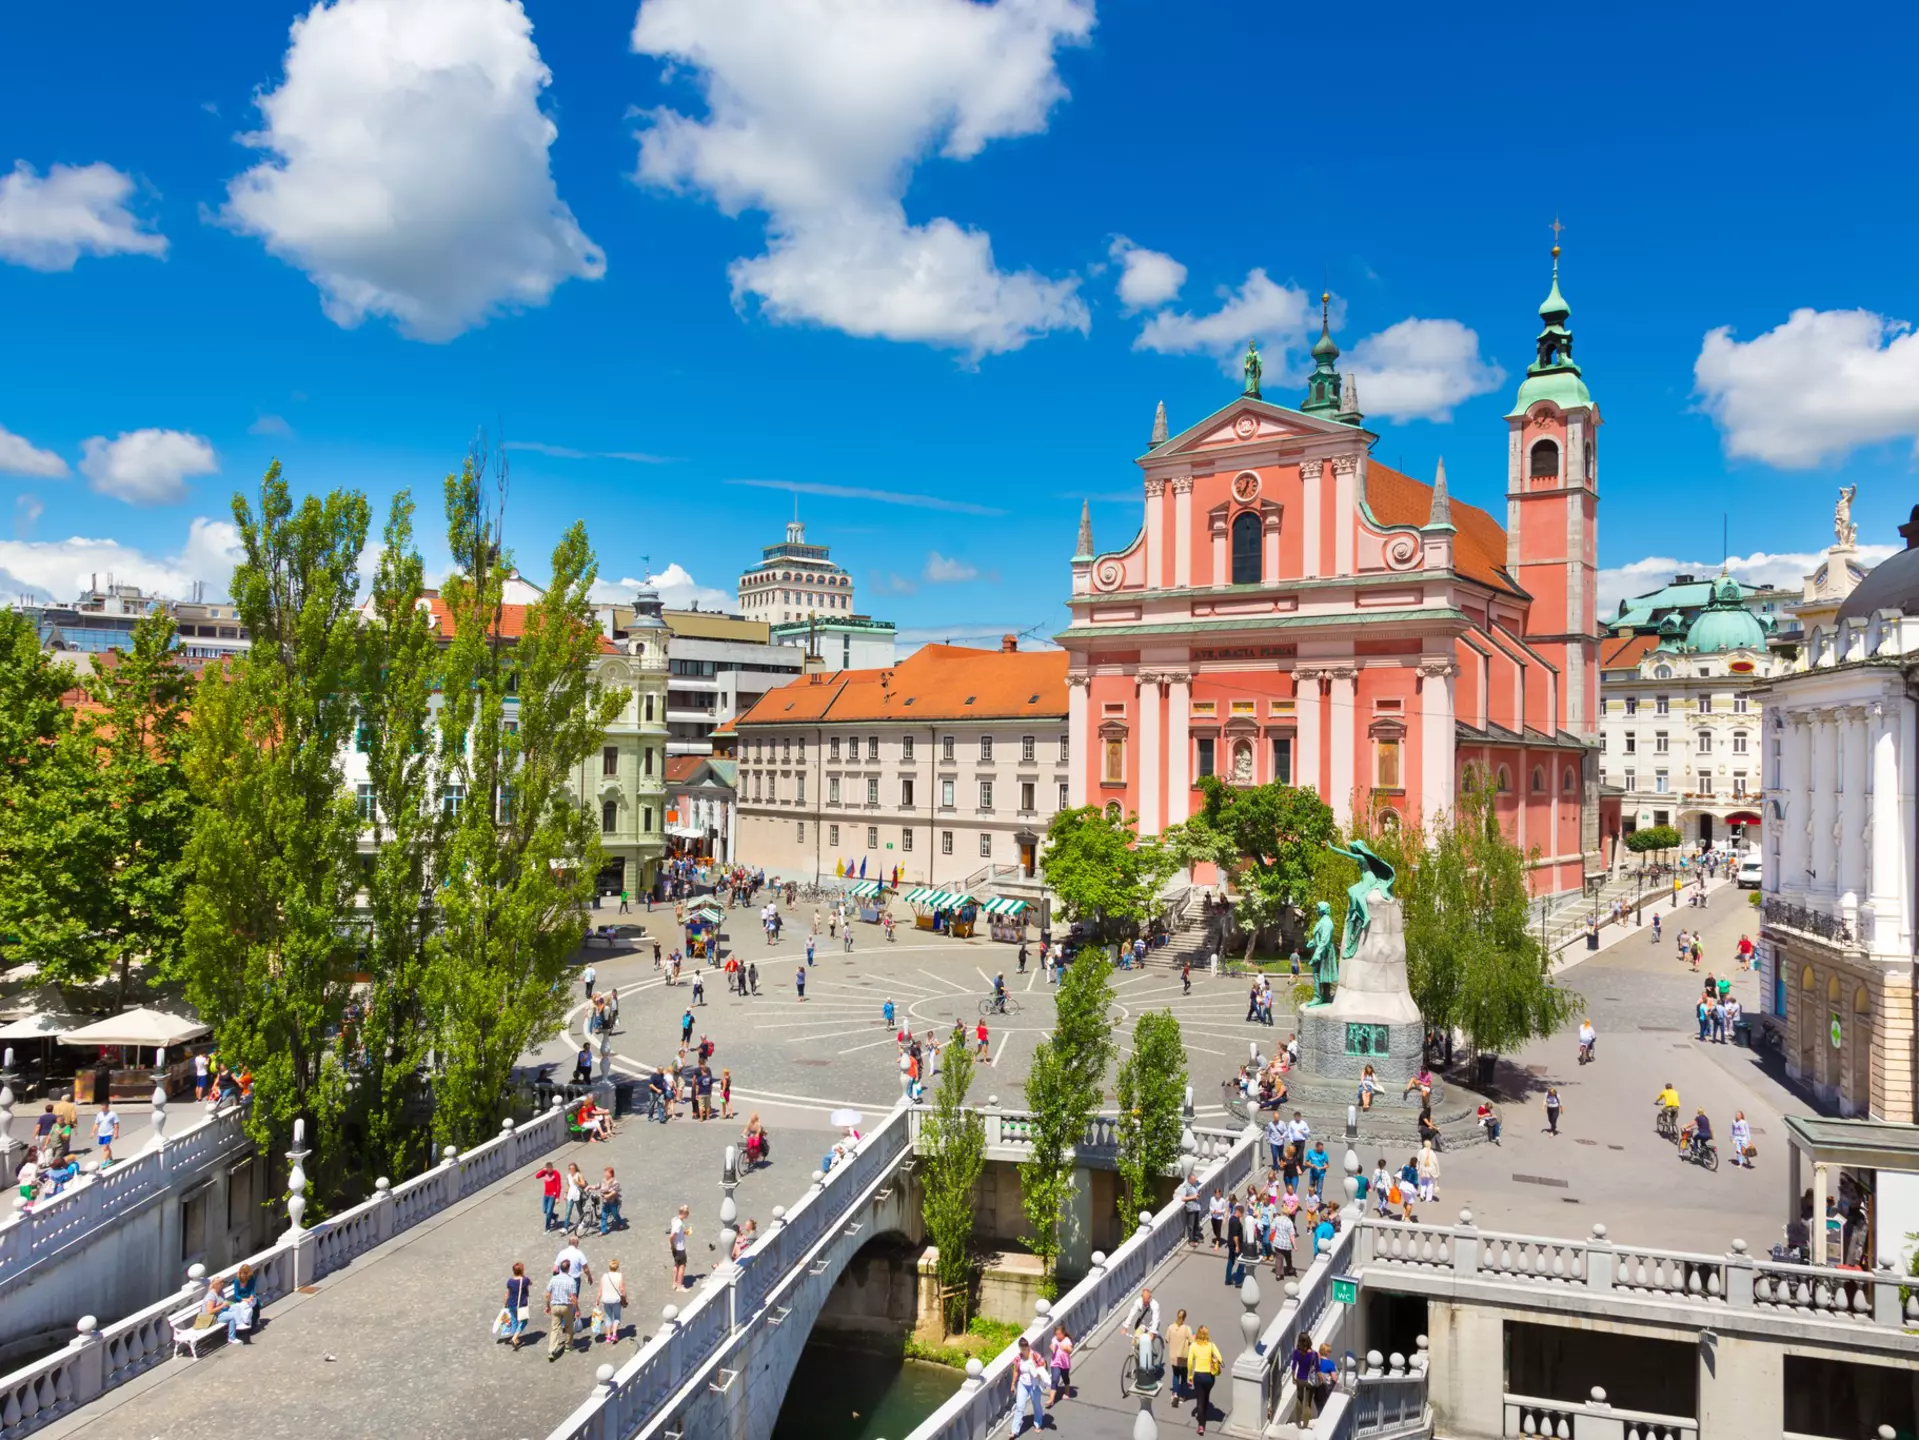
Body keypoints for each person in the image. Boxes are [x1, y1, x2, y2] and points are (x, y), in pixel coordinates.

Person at [1187, 1325, 1223, 1435]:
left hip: (1199, 1376)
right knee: (1206, 1395)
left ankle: (1201, 1425)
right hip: (1209, 1377)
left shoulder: (1193, 1346)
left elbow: (1189, 1362)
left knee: (1200, 1400)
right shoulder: (1211, 1346)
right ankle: (1206, 1412)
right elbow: (1220, 1359)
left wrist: (1190, 1376)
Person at [1009, 1336, 1048, 1436]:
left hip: (1034, 1384)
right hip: (1023, 1384)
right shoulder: (1018, 1358)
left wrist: (1039, 1372)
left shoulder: (1034, 1355)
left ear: (1028, 1347)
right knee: (1020, 1406)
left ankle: (1038, 1423)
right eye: (1022, 1350)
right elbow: (1016, 1371)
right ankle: (1014, 1431)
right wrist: (1013, 1384)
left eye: (1025, 1349)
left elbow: (1043, 1363)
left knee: (1036, 1405)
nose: (1024, 1352)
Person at [545, 1259, 578, 1360]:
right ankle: (568, 1345)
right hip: (566, 1306)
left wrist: (547, 1306)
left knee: (555, 1329)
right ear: (568, 1268)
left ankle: (552, 1350)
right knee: (568, 1326)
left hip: (555, 1305)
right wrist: (577, 1309)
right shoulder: (571, 1280)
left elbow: (547, 1294)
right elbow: (573, 1298)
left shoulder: (553, 1279)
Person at [1290, 1329, 1321, 1423]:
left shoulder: (1296, 1352)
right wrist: (1319, 1377)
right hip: (1309, 1381)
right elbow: (1317, 1367)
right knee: (1307, 1403)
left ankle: (1298, 1421)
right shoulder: (1314, 1354)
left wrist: (1293, 1377)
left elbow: (1294, 1365)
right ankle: (1305, 1424)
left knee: (1299, 1399)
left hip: (1299, 1378)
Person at [502, 1261, 533, 1349]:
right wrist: (523, 1276)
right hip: (521, 1304)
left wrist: (505, 1304)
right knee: (524, 1321)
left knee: (514, 1320)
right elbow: (531, 1283)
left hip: (511, 1303)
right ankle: (515, 1337)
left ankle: (516, 1338)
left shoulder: (510, 1281)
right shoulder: (525, 1280)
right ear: (522, 1271)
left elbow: (507, 1294)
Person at [598, 1258, 627, 1344]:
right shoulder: (619, 1276)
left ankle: (608, 1336)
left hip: (606, 1300)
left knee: (608, 1317)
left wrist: (597, 1299)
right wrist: (625, 1297)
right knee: (617, 1317)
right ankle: (614, 1334)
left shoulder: (604, 1276)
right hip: (616, 1300)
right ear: (617, 1267)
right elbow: (622, 1289)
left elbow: (600, 1289)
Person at [1048, 1323, 1074, 1405]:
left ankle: (1067, 1392)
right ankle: (1051, 1399)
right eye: (1056, 1334)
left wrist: (1066, 1348)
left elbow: (1070, 1350)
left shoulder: (1067, 1340)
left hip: (1064, 1364)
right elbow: (1052, 1345)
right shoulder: (1054, 1339)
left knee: (1065, 1378)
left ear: (1063, 1333)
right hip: (1055, 1362)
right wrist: (1052, 1347)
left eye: (1059, 1334)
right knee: (1054, 1379)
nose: (1057, 1336)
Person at [670, 1204, 691, 1290]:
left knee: (676, 1264)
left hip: (675, 1248)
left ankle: (674, 1283)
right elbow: (672, 1235)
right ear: (684, 1213)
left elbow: (677, 1233)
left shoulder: (675, 1220)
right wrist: (672, 1244)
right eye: (687, 1213)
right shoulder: (679, 1223)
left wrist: (685, 1232)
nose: (688, 1215)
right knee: (682, 1266)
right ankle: (679, 1286)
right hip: (679, 1248)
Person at [537, 1162, 563, 1231]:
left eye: (550, 1169)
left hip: (552, 1195)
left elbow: (559, 1186)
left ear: (552, 1168)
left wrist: (557, 1197)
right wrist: (543, 1170)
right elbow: (537, 1176)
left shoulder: (556, 1174)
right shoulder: (545, 1173)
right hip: (546, 1194)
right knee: (545, 1210)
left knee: (548, 1212)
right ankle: (555, 1216)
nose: (549, 1171)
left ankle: (547, 1228)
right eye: (547, 1169)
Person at [599, 1167, 623, 1233]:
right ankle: (603, 1230)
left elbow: (615, 1191)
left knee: (615, 1214)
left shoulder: (615, 1182)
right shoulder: (603, 1180)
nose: (605, 1174)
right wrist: (589, 1187)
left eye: (606, 1172)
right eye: (605, 1172)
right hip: (605, 1201)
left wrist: (608, 1195)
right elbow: (598, 1186)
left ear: (610, 1174)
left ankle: (620, 1222)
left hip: (613, 1202)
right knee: (604, 1216)